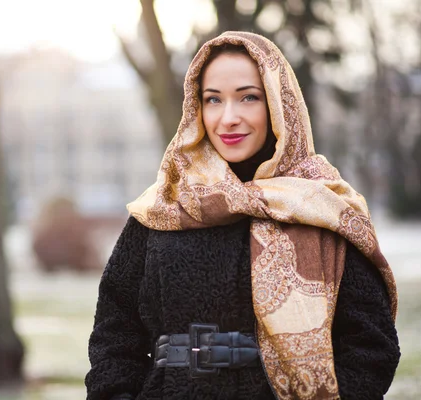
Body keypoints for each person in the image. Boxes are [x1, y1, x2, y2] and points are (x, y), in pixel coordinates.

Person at [85, 31, 400, 400]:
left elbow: (370, 346)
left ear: (279, 105)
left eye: (248, 97)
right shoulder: (163, 209)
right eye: (213, 100)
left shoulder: (324, 208)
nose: (228, 118)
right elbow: (114, 333)